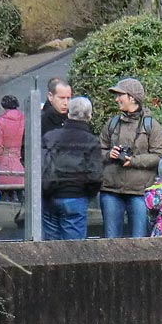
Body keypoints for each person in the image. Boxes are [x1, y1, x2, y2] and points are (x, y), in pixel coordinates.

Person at [99, 77, 162, 238]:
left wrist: (134, 161)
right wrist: (109, 154)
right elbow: (97, 151)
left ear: (132, 97)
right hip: (111, 190)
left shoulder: (152, 126)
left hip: (140, 192)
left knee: (140, 242)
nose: (117, 99)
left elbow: (159, 156)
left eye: (120, 95)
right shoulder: (112, 123)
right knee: (111, 242)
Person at [41, 96, 103, 240]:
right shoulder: (91, 141)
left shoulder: (50, 137)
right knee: (74, 251)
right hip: (76, 197)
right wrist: (88, 193)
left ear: (68, 113)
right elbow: (95, 175)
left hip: (50, 195)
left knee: (50, 249)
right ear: (90, 116)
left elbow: (41, 165)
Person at [0, 94, 24, 202]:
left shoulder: (1, 120)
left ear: (3, 106)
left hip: (5, 160)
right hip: (19, 160)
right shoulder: (23, 119)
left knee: (4, 191)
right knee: (20, 191)